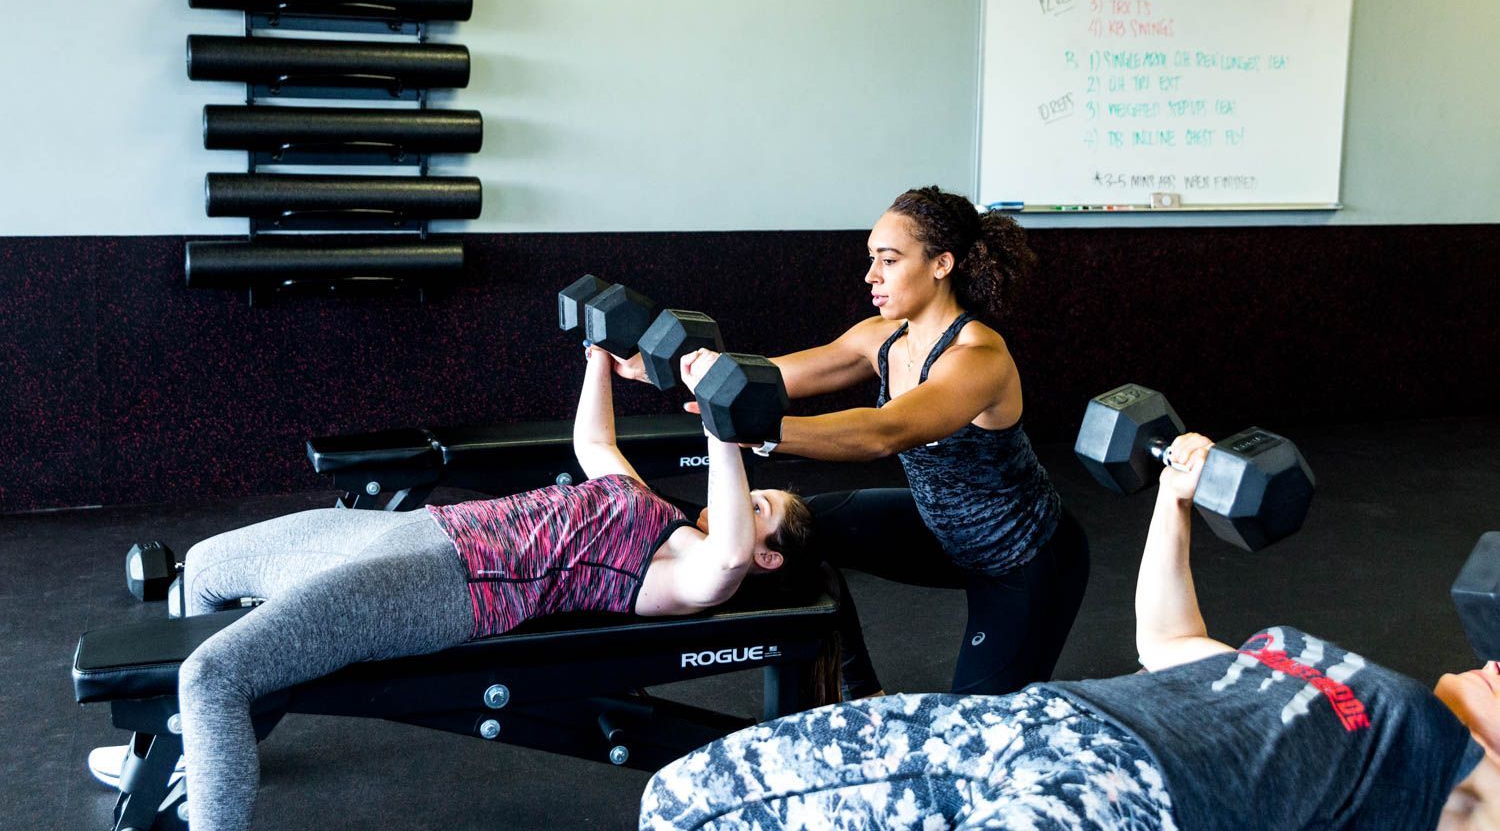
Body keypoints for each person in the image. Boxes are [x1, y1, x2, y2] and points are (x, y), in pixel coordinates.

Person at [87, 345, 815, 831]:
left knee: (214, 674)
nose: (744, 500)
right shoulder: (649, 505)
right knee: (208, 565)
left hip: (441, 583)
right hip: (422, 530)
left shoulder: (695, 572)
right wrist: (597, 353)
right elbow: (595, 446)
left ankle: (204, 776)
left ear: (770, 558)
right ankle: (174, 755)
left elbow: (726, 561)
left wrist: (725, 431)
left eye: (761, 507)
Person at [640, 433, 1500, 830]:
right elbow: (1167, 641)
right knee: (678, 802)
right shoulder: (1334, 668)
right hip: (1034, 720)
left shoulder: (1450, 773)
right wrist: (1175, 498)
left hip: (1129, 798)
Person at [681, 185, 1088, 698]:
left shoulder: (978, 358)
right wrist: (681, 364)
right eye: (872, 258)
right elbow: (770, 377)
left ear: (942, 264)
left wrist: (759, 431)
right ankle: (860, 690)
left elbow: (883, 433)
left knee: (978, 731)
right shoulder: (883, 336)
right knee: (802, 531)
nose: (871, 275)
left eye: (889, 260)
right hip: (938, 529)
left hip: (1022, 559)